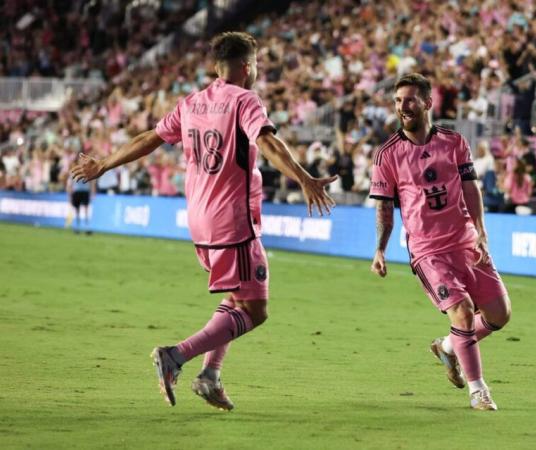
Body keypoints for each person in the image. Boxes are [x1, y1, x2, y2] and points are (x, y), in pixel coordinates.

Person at [71, 32, 337, 411]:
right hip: (232, 221)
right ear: (248, 67)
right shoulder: (245, 99)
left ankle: (210, 376)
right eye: (257, 65)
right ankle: (176, 355)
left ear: (216, 67)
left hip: (198, 220)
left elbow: (150, 138)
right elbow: (270, 143)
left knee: (235, 298)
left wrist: (103, 164)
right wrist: (305, 179)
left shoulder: (193, 102)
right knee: (256, 310)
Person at [368, 73, 511, 411]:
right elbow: (385, 206)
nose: (403, 107)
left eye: (410, 100)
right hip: (428, 249)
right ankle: (478, 390)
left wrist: (480, 230)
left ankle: (448, 347)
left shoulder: (454, 142)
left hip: (465, 241)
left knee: (499, 315)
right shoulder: (388, 154)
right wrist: (380, 248)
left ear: (428, 103)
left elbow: (470, 187)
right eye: (398, 101)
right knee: (461, 312)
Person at [66, 160, 96, 234]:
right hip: (77, 192)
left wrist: (92, 192)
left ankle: (87, 227)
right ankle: (78, 227)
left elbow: (91, 182)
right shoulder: (73, 172)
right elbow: (70, 185)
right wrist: (70, 195)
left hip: (85, 191)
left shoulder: (87, 171)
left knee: (85, 209)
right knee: (77, 210)